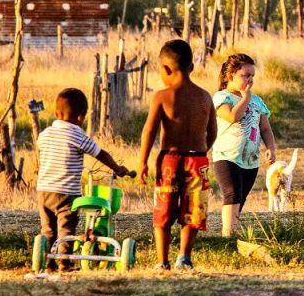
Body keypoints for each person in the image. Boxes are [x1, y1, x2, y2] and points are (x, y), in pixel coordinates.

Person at [138, 39, 217, 271]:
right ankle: (184, 257)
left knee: (163, 210)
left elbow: (149, 130)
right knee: (194, 211)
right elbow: (212, 132)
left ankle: (162, 261)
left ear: (165, 69)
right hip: (198, 159)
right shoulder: (205, 97)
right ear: (191, 67)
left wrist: (142, 161)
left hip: (170, 160)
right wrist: (202, 152)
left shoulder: (162, 96)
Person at [36, 88, 132, 271]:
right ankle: (64, 262)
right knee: (65, 227)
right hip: (66, 192)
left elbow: (41, 154)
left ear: (56, 113)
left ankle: (48, 263)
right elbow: (100, 154)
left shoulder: (45, 134)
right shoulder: (77, 134)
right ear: (81, 117)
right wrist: (117, 169)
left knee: (47, 229)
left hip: (43, 189)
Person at [212, 53, 276, 238]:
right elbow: (233, 116)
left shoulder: (257, 101)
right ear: (229, 75)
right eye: (245, 75)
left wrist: (271, 147)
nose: (249, 80)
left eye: (252, 76)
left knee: (240, 198)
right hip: (227, 156)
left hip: (250, 160)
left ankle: (233, 232)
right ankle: (227, 236)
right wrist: (245, 97)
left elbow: (265, 128)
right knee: (231, 193)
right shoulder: (222, 97)